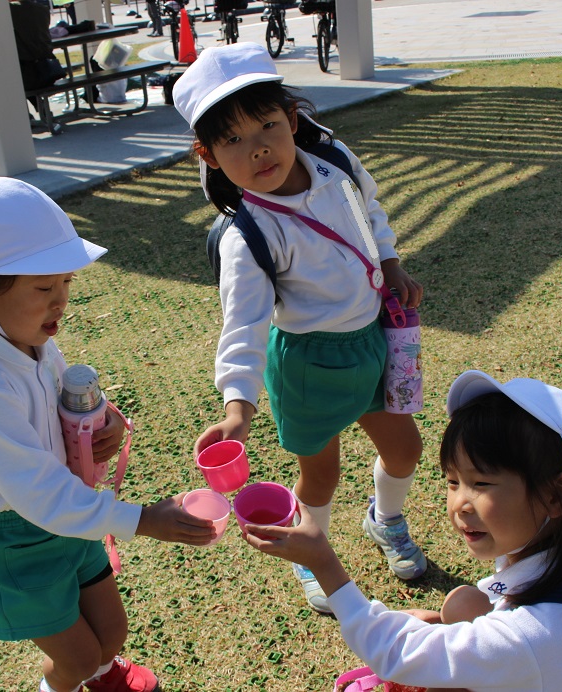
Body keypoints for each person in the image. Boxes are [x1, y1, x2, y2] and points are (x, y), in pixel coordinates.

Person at [0, 177, 216, 692]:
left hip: (67, 508)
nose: (60, 302)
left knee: (111, 632)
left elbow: (64, 397)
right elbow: (38, 494)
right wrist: (143, 519)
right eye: (43, 288)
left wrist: (104, 420)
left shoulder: (30, 338)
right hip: (9, 534)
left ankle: (104, 675)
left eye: (66, 283)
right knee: (76, 658)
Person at [173, 43, 426, 614]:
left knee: (405, 449)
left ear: (291, 118)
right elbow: (242, 326)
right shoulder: (248, 236)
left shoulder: (335, 163)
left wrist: (389, 262)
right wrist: (237, 407)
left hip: (374, 343)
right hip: (309, 366)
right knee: (321, 477)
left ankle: (385, 519)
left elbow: (369, 211)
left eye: (267, 124)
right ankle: (311, 552)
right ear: (208, 155)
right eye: (232, 139)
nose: (258, 148)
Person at [246, 370, 562, 691]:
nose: (460, 503)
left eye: (481, 483)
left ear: (557, 495)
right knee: (462, 604)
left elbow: (396, 654)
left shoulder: (532, 634)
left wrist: (322, 562)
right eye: (453, 481)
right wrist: (437, 623)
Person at [9, 0, 67, 103]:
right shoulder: (42, 10)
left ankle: (37, 108)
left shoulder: (12, 11)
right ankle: (41, 107)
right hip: (47, 69)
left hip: (30, 73)